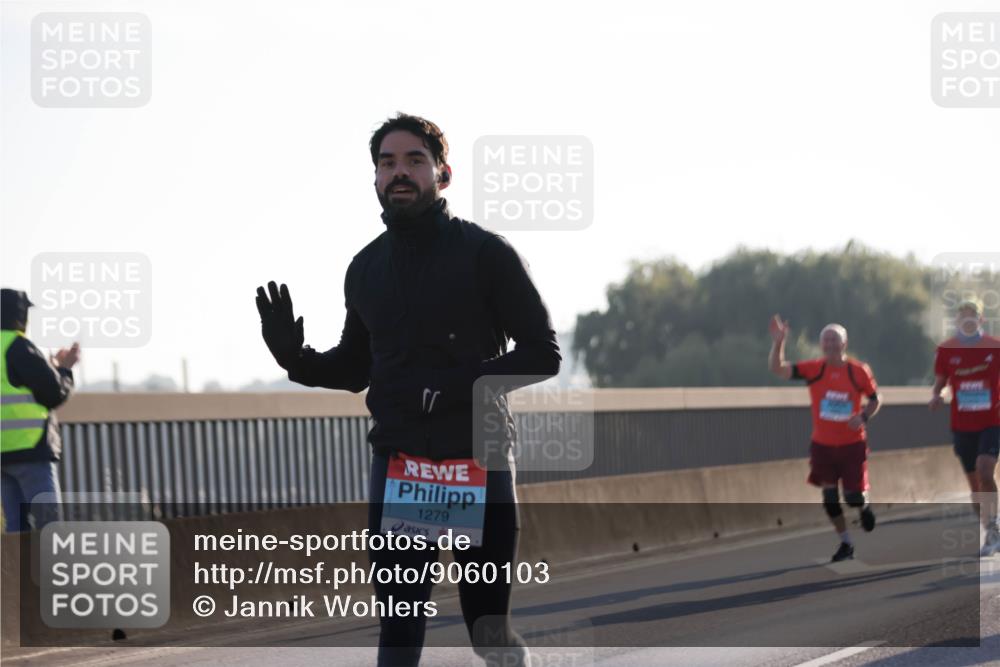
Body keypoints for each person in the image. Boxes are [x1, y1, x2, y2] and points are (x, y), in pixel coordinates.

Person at [255, 114, 560, 666]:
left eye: (415, 160)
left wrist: (456, 384)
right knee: (397, 636)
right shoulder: (365, 268)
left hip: (477, 457)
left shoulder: (486, 253)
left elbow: (543, 353)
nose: (400, 172)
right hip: (401, 465)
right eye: (388, 162)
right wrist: (295, 360)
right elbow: (356, 368)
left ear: (443, 174)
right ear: (375, 178)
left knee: (489, 636)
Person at [768, 315, 881, 562]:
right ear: (821, 345)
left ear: (844, 343)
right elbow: (778, 369)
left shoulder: (858, 371)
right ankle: (846, 543)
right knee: (830, 500)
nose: (830, 344)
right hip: (823, 446)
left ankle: (863, 506)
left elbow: (875, 399)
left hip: (852, 444)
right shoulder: (815, 369)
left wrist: (863, 416)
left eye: (834, 340)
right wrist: (778, 343)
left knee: (853, 497)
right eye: (826, 340)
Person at [1, 288, 78, 532]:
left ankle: (16, 560)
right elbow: (53, 392)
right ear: (21, 316)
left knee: (16, 529)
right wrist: (65, 369)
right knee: (50, 528)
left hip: (2, 454)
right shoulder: (18, 346)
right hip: (30, 449)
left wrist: (51, 365)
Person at [930, 297, 1000, 557]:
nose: (967, 318)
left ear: (980, 319)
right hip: (962, 424)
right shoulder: (946, 349)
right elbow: (940, 382)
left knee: (985, 471)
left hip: (992, 421)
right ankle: (990, 530)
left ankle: (994, 526)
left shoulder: (995, 346)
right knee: (974, 485)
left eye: (972, 314)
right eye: (963, 315)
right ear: (957, 320)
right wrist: (937, 396)